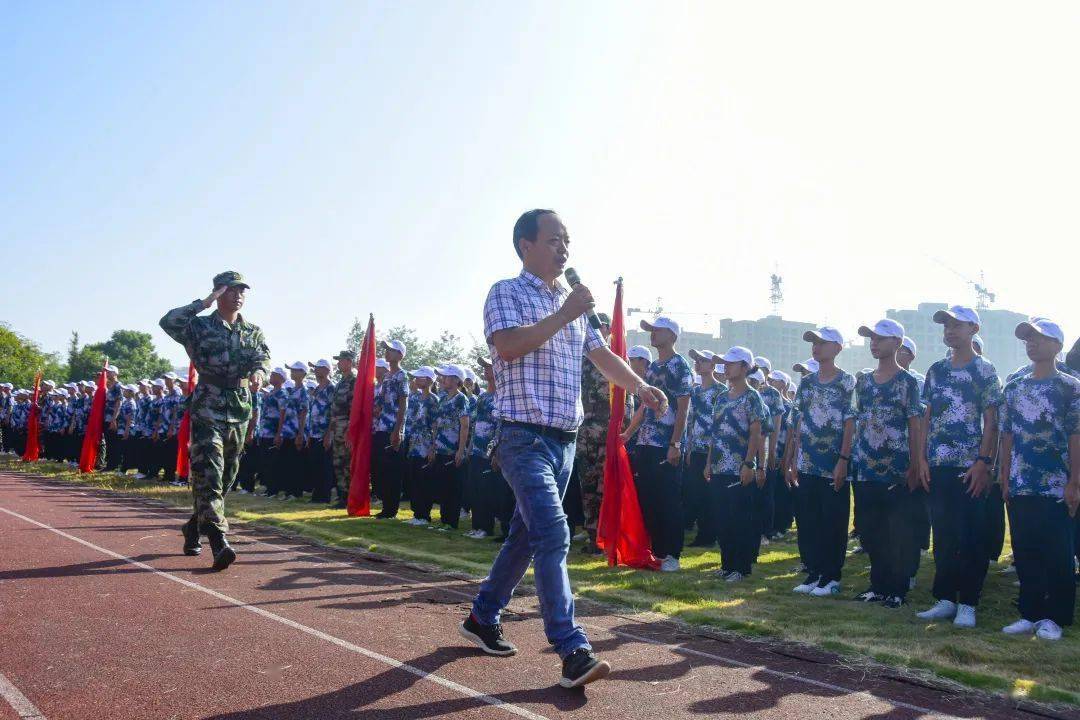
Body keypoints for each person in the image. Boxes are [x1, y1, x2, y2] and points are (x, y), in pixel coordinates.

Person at [459, 208, 665, 689]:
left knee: (526, 537)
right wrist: (564, 313)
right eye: (554, 240)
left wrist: (638, 387)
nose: (564, 249)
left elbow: (601, 356)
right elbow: (508, 347)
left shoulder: (571, 306)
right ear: (525, 245)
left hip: (564, 442)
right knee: (553, 533)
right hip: (521, 437)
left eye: (567, 240)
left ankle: (482, 615)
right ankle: (572, 650)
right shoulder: (506, 293)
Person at [159, 270, 271, 571]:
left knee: (225, 478)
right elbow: (168, 321)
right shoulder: (199, 326)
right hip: (208, 406)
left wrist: (259, 373)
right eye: (231, 290)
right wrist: (204, 302)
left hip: (239, 409)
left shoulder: (253, 331)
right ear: (220, 293)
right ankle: (219, 539)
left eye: (242, 291)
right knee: (209, 472)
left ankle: (194, 527)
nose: (238, 295)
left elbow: (263, 359)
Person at [914, 305, 1002, 628]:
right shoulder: (935, 370)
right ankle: (946, 598)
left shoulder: (985, 370)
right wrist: (922, 458)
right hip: (938, 465)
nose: (950, 330)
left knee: (972, 536)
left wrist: (983, 462)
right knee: (945, 535)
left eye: (957, 325)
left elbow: (991, 420)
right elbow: (927, 417)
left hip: (971, 467)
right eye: (947, 325)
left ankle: (968, 603)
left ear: (973, 330)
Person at [999, 318, 1079, 641]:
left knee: (1058, 553)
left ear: (1057, 346)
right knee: (1025, 550)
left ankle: (1055, 617)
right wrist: (1004, 476)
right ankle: (1029, 612)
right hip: (1021, 483)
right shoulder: (1015, 386)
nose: (1032, 343)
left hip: (1055, 485)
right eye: (1028, 338)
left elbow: (1076, 435)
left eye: (1040, 338)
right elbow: (1006, 434)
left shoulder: (1070, 387)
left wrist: (1075, 481)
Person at [851, 319, 922, 609]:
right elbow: (859, 421)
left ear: (897, 343)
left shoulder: (908, 382)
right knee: (871, 531)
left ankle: (897, 589)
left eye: (880, 338)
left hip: (896, 468)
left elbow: (915, 425)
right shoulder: (864, 381)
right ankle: (877, 585)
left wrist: (916, 464)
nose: (874, 343)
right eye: (871, 338)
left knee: (898, 533)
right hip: (866, 468)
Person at [786, 327, 855, 598]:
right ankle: (814, 573)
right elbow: (797, 422)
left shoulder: (846, 382)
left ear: (837, 348)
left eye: (822, 343)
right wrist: (792, 460)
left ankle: (831, 577)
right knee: (809, 521)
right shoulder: (807, 382)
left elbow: (851, 422)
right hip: (807, 464)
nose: (816, 347)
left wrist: (843, 459)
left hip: (832, 464)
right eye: (814, 342)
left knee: (832, 523)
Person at [628, 316, 693, 572]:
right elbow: (645, 407)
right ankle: (654, 552)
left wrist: (675, 442)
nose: (652, 334)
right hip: (646, 442)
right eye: (651, 330)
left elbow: (683, 408)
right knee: (649, 499)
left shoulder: (680, 366)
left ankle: (671, 554)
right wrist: (629, 433)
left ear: (673, 335)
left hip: (666, 444)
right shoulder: (653, 367)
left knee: (668, 500)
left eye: (658, 330)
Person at [705, 347, 765, 583]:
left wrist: (749, 463)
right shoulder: (721, 398)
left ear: (745, 367)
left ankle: (741, 567)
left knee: (739, 518)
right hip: (719, 466)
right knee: (722, 518)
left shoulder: (752, 397)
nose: (725, 367)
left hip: (739, 467)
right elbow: (714, 433)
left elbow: (756, 433)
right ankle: (727, 564)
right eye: (724, 363)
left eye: (731, 363)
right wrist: (709, 462)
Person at [685, 349, 725, 547]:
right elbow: (690, 421)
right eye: (696, 360)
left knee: (712, 495)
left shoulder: (721, 391)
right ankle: (703, 533)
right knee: (697, 493)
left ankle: (710, 535)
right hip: (697, 449)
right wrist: (689, 447)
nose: (698, 363)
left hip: (715, 451)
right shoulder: (694, 391)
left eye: (702, 360)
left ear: (712, 365)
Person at [427, 365, 470, 529]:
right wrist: (432, 447)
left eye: (446, 377)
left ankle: (451, 522)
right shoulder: (443, 398)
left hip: (453, 451)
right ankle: (444, 520)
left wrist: (460, 450)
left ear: (456, 380)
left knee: (453, 488)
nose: (442, 379)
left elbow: (465, 425)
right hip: (440, 449)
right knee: (443, 486)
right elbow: (437, 425)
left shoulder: (461, 399)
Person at [373, 339, 409, 518]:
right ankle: (385, 507)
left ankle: (391, 510)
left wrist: (398, 430)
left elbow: (403, 404)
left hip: (392, 428)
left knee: (393, 471)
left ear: (400, 355)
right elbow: (380, 401)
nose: (387, 352)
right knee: (382, 469)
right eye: (386, 350)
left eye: (391, 350)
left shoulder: (402, 375)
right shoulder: (386, 376)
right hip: (381, 427)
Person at [405, 366, 439, 525]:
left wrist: (433, 448)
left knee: (424, 481)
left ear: (429, 380)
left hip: (425, 447)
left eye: (420, 377)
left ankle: (424, 515)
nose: (416, 379)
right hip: (413, 445)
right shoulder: (415, 398)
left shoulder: (433, 400)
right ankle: (416, 514)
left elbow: (435, 426)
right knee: (414, 480)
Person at [326, 350, 356, 508]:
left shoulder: (353, 381)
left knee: (346, 463)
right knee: (337, 462)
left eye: (341, 360)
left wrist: (348, 431)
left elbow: (353, 408)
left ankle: (347, 496)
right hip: (336, 425)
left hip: (345, 427)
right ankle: (341, 495)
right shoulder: (341, 382)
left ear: (349, 362)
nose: (338, 363)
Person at [305, 359, 335, 503]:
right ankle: (316, 495)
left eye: (319, 368)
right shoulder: (316, 389)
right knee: (315, 465)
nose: (315, 370)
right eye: (315, 368)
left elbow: (333, 412)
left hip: (325, 434)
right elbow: (312, 412)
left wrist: (329, 434)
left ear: (327, 370)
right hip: (314, 433)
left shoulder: (331, 388)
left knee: (325, 467)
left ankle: (324, 496)